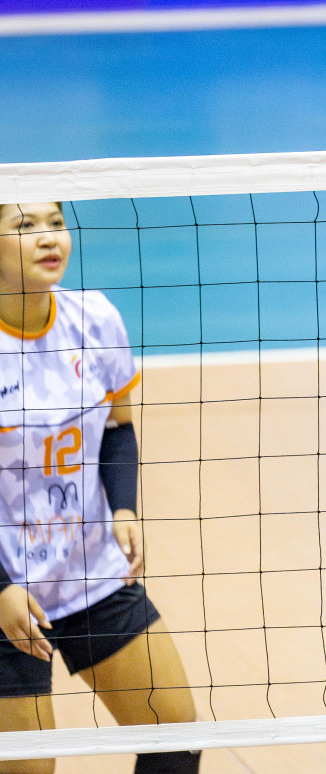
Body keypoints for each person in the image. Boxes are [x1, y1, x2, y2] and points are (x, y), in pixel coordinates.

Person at [0, 202, 200, 774]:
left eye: (56, 224)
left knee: (176, 739)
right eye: (24, 226)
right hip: (6, 590)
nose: (48, 239)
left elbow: (117, 425)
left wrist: (125, 506)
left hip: (88, 571)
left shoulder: (95, 319)